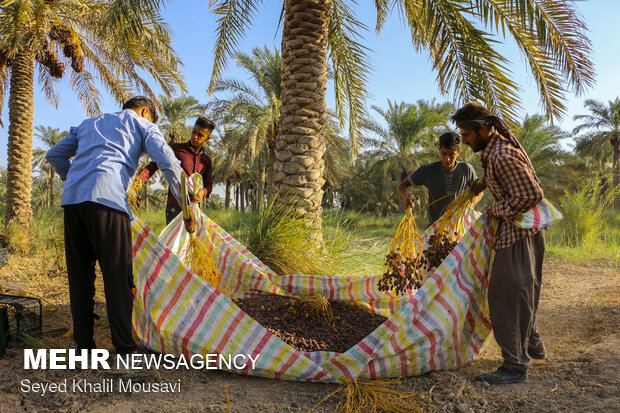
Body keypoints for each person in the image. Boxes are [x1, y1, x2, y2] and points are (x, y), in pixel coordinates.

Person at [46, 96, 196, 358]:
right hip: (108, 202)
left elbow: (55, 154)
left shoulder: (88, 123)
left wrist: (76, 179)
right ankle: (125, 349)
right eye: (150, 118)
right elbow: (168, 162)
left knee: (79, 278)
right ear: (145, 111)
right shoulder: (143, 125)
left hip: (72, 203)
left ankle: (85, 348)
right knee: (117, 276)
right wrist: (187, 206)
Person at [452, 102, 546, 385]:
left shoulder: (501, 155)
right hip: (526, 232)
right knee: (522, 291)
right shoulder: (494, 151)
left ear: (482, 129)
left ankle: (515, 367)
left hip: (518, 234)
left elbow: (532, 194)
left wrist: (496, 211)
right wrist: (482, 185)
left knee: (507, 296)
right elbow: (510, 182)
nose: (464, 141)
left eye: (466, 135)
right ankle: (532, 343)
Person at [138, 116, 215, 224]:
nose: (195, 136)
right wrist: (139, 179)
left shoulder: (206, 160)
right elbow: (154, 164)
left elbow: (209, 185)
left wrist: (203, 192)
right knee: (173, 240)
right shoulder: (176, 149)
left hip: (194, 208)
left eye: (200, 135)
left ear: (207, 138)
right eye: (194, 132)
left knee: (192, 239)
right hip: (174, 206)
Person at [397, 131, 480, 224]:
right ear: (439, 151)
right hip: (435, 227)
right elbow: (402, 186)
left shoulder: (467, 169)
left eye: (451, 154)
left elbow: (479, 191)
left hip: (458, 227)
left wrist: (472, 204)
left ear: (458, 153)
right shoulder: (428, 170)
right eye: (444, 154)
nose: (447, 159)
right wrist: (405, 196)